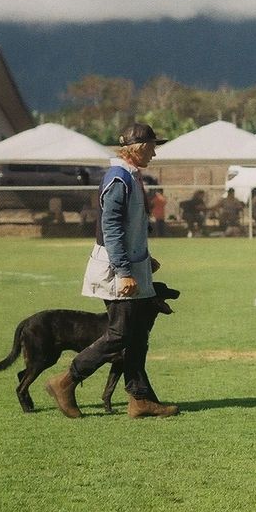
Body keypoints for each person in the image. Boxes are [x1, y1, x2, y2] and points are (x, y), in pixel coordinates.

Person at [45, 122, 178, 419]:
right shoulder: (119, 179)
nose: (155, 153)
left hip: (133, 265)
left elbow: (131, 227)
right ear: (139, 148)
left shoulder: (129, 176)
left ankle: (140, 399)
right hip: (118, 270)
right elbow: (112, 228)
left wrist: (145, 258)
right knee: (120, 335)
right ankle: (65, 382)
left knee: (137, 335)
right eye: (153, 147)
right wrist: (124, 271)